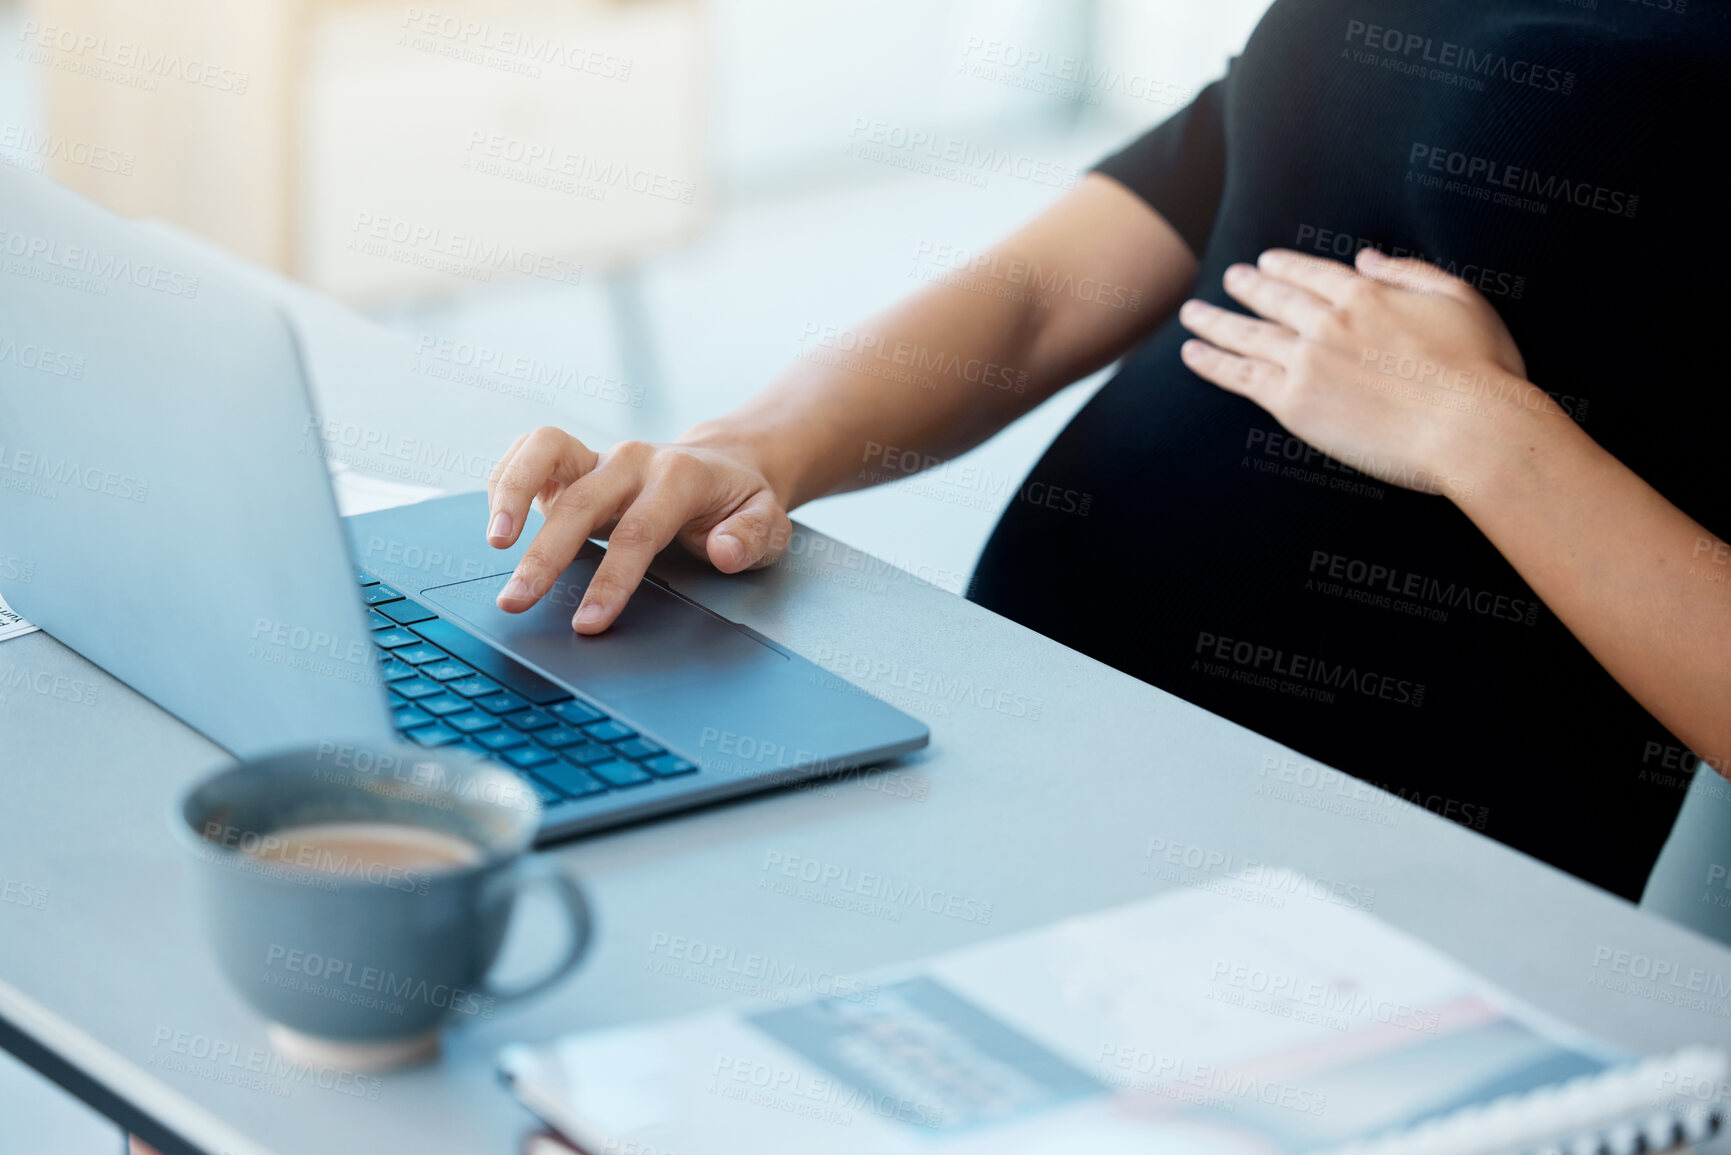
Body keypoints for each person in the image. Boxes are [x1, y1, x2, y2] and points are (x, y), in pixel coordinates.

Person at [482, 0, 1729, 908]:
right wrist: (755, 448)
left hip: (1365, 894)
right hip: (1016, 757)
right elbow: (1082, 268)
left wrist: (1481, 433)